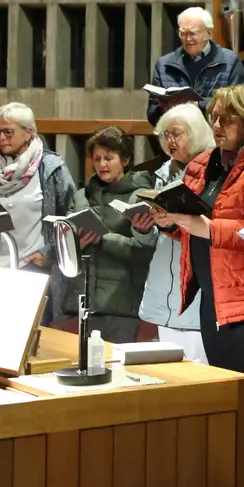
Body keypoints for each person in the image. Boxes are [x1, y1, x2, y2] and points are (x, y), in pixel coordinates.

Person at [150, 86, 244, 487]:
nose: (215, 126)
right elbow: (189, 220)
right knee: (227, 405)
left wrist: (202, 227)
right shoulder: (203, 163)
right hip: (214, 296)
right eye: (212, 117)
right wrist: (167, 221)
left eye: (226, 119)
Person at [0, 102, 76, 320]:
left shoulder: (50, 166)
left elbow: (70, 217)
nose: (1, 138)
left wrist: (51, 254)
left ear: (28, 133)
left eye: (8, 132)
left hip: (31, 268)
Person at [135, 103, 216, 363]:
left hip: (197, 280)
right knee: (170, 371)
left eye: (177, 134)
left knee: (199, 374)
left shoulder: (214, 170)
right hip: (164, 284)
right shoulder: (160, 174)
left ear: (196, 133)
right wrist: (142, 228)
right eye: (166, 135)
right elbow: (154, 241)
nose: (170, 141)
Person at [66, 127, 155, 344]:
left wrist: (102, 239)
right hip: (82, 302)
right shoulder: (81, 197)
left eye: (109, 158)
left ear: (125, 160)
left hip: (122, 304)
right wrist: (73, 244)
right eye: (97, 159)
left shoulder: (140, 197)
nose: (102, 164)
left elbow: (145, 253)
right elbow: (62, 244)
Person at [146, 6, 244, 125]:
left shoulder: (230, 62)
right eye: (182, 34)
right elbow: (151, 114)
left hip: (215, 138)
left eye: (192, 33)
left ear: (209, 33)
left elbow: (241, 104)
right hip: (176, 136)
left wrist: (199, 105)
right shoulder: (163, 65)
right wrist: (165, 108)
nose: (187, 39)